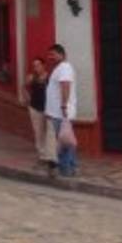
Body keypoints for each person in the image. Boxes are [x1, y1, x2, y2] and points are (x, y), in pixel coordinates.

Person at [43, 43, 78, 178]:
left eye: (53, 54)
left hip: (61, 112)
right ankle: (72, 166)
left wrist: (63, 106)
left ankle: (66, 169)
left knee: (64, 142)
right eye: (49, 54)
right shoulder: (59, 68)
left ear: (62, 55)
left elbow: (65, 86)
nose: (50, 57)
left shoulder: (64, 68)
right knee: (66, 139)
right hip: (57, 112)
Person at [24, 57, 55, 167]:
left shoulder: (50, 77)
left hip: (48, 108)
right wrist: (27, 97)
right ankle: (42, 155)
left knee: (48, 131)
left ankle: (49, 155)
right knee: (38, 131)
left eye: (38, 65)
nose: (36, 67)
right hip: (35, 107)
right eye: (34, 66)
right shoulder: (32, 77)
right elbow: (25, 87)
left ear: (43, 65)